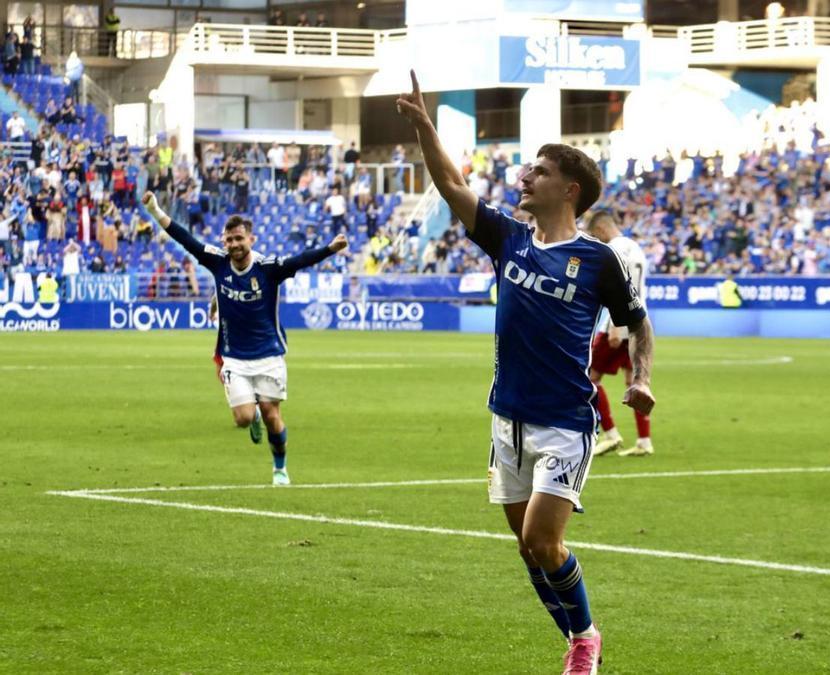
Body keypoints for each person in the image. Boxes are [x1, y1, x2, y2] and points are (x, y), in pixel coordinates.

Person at [397, 69, 655, 675]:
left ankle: (586, 639)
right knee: (527, 550)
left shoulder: (599, 260)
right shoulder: (509, 239)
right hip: (505, 418)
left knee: (543, 541)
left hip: (565, 421)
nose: (524, 176)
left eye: (537, 171)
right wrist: (428, 129)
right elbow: (451, 185)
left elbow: (638, 322)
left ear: (569, 190)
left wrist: (640, 378)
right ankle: (572, 640)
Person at [141, 191, 348, 486]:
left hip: (269, 354)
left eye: (240, 239)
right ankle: (254, 419)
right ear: (224, 242)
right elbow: (184, 238)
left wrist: (330, 249)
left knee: (272, 414)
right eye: (230, 240)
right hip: (235, 357)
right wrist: (154, 209)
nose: (235, 245)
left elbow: (299, 261)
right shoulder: (217, 262)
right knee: (243, 418)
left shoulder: (268, 268)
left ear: (251, 239)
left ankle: (280, 468)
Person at [585, 211, 653, 457]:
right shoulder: (635, 247)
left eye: (595, 235)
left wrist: (615, 325)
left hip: (618, 324)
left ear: (601, 230)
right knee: (634, 383)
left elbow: (620, 289)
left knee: (590, 378)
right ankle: (644, 440)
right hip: (638, 325)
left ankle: (610, 434)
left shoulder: (614, 249)